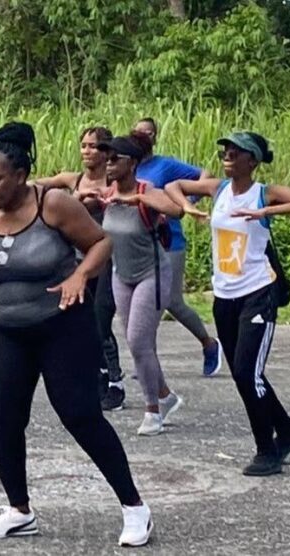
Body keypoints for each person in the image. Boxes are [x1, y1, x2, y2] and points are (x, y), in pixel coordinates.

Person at [0, 122, 152, 547]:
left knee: (80, 415)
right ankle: (19, 510)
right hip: (6, 329)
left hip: (61, 326)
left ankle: (135, 509)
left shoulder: (53, 205)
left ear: (20, 176)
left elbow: (101, 243)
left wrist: (81, 276)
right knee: (2, 419)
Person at [165, 132, 290, 476]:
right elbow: (173, 186)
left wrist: (267, 210)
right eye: (225, 152)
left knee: (248, 374)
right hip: (225, 296)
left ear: (252, 161)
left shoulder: (263, 192)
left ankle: (267, 450)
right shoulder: (218, 189)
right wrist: (187, 208)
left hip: (258, 293)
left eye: (236, 153)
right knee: (243, 374)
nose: (228, 157)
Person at [98, 136, 186, 436]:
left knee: (138, 342)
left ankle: (152, 410)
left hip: (153, 274)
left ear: (132, 163)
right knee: (137, 343)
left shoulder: (145, 190)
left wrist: (136, 200)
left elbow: (175, 209)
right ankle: (165, 395)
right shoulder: (105, 192)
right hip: (121, 275)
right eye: (106, 158)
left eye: (114, 159)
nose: (108, 164)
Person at [36, 126, 127, 411]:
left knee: (101, 321)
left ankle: (115, 382)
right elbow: (34, 187)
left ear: (106, 152)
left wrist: (105, 198)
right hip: (76, 263)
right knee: (79, 323)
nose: (87, 151)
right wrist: (73, 200)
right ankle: (93, 377)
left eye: (94, 146)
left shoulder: (114, 182)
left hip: (108, 263)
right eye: (84, 145)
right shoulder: (72, 180)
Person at [132, 118, 222, 377]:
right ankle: (147, 360)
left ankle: (209, 343)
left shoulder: (165, 165)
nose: (143, 136)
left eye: (148, 133)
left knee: (171, 301)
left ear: (155, 138)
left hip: (169, 240)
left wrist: (186, 202)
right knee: (145, 302)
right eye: (138, 132)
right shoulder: (125, 165)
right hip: (139, 244)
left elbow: (205, 176)